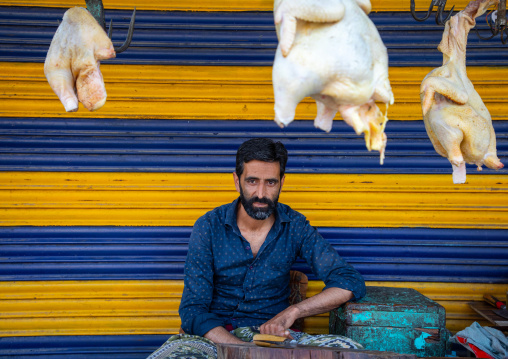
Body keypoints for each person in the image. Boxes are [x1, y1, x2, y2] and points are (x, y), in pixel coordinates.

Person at [146, 138, 366, 359]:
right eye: (252, 181)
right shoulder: (209, 226)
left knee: (350, 351)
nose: (261, 193)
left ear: (282, 182)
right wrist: (243, 351)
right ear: (236, 180)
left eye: (270, 182)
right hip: (214, 341)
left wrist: (293, 311)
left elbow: (348, 281)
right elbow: (193, 309)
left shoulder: (295, 226)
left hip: (274, 341)